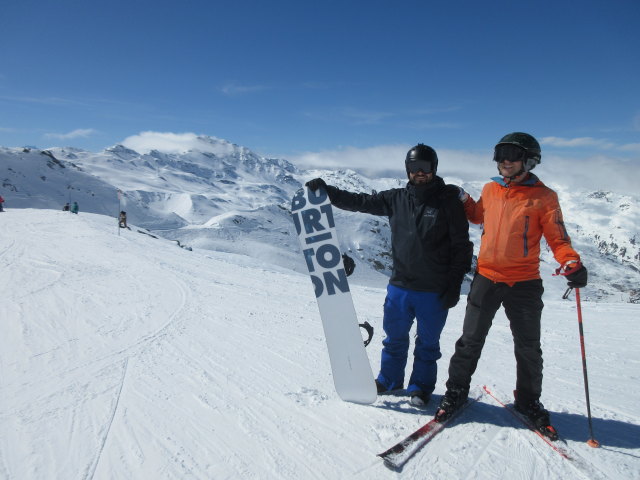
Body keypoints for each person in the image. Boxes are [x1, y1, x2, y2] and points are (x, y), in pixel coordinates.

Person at [435, 132, 588, 438]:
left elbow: (557, 238)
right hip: (486, 277)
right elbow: (480, 216)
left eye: (512, 154)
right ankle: (456, 393)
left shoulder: (545, 197)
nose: (505, 160)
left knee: (528, 347)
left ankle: (528, 402)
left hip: (525, 282)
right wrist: (466, 200)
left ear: (529, 160)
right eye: (501, 153)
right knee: (469, 341)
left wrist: (570, 261)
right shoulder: (491, 188)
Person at [306, 144, 473, 406]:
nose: (420, 173)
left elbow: (462, 246)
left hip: (434, 289)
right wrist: (329, 192)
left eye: (425, 168)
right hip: (400, 286)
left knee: (427, 344)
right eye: (414, 168)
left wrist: (454, 284)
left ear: (434, 169)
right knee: (394, 338)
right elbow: (361, 201)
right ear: (407, 170)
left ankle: (419, 388)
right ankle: (389, 380)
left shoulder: (447, 202)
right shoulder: (396, 198)